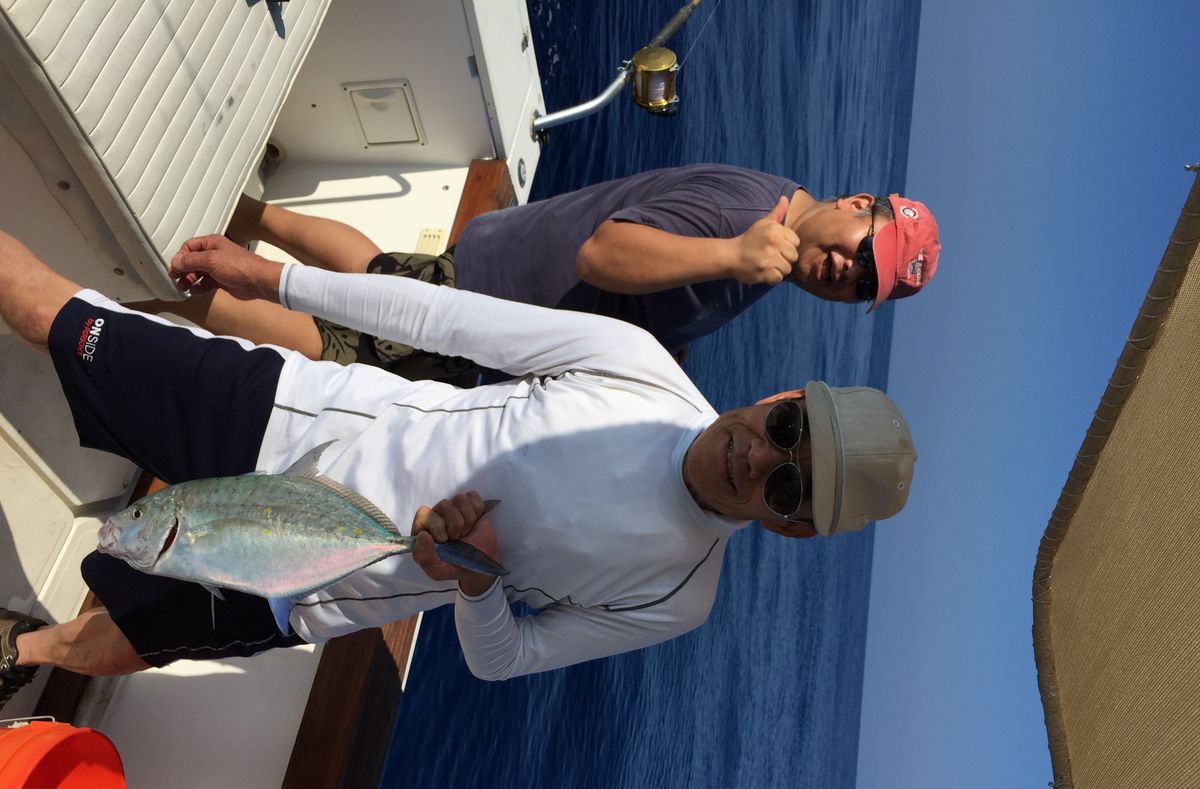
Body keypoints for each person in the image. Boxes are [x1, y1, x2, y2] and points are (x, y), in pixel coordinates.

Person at [0, 229, 916, 701]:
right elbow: (442, 318)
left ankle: (14, 649)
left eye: (787, 484)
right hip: (282, 416)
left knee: (128, 641)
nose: (758, 455)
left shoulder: (679, 597)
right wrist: (273, 279)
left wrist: (475, 584)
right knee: (55, 315)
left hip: (307, 584)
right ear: (786, 393)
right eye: (788, 426)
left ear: (792, 527)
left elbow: (505, 660)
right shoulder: (641, 366)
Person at [138, 164, 941, 379]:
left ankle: (249, 212)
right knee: (336, 348)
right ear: (856, 204)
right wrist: (730, 257)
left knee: (377, 267)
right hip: (498, 296)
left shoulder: (776, 241)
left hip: (497, 269)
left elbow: (667, 293)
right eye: (862, 251)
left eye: (862, 285)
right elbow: (606, 253)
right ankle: (160, 285)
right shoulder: (747, 222)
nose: (845, 270)